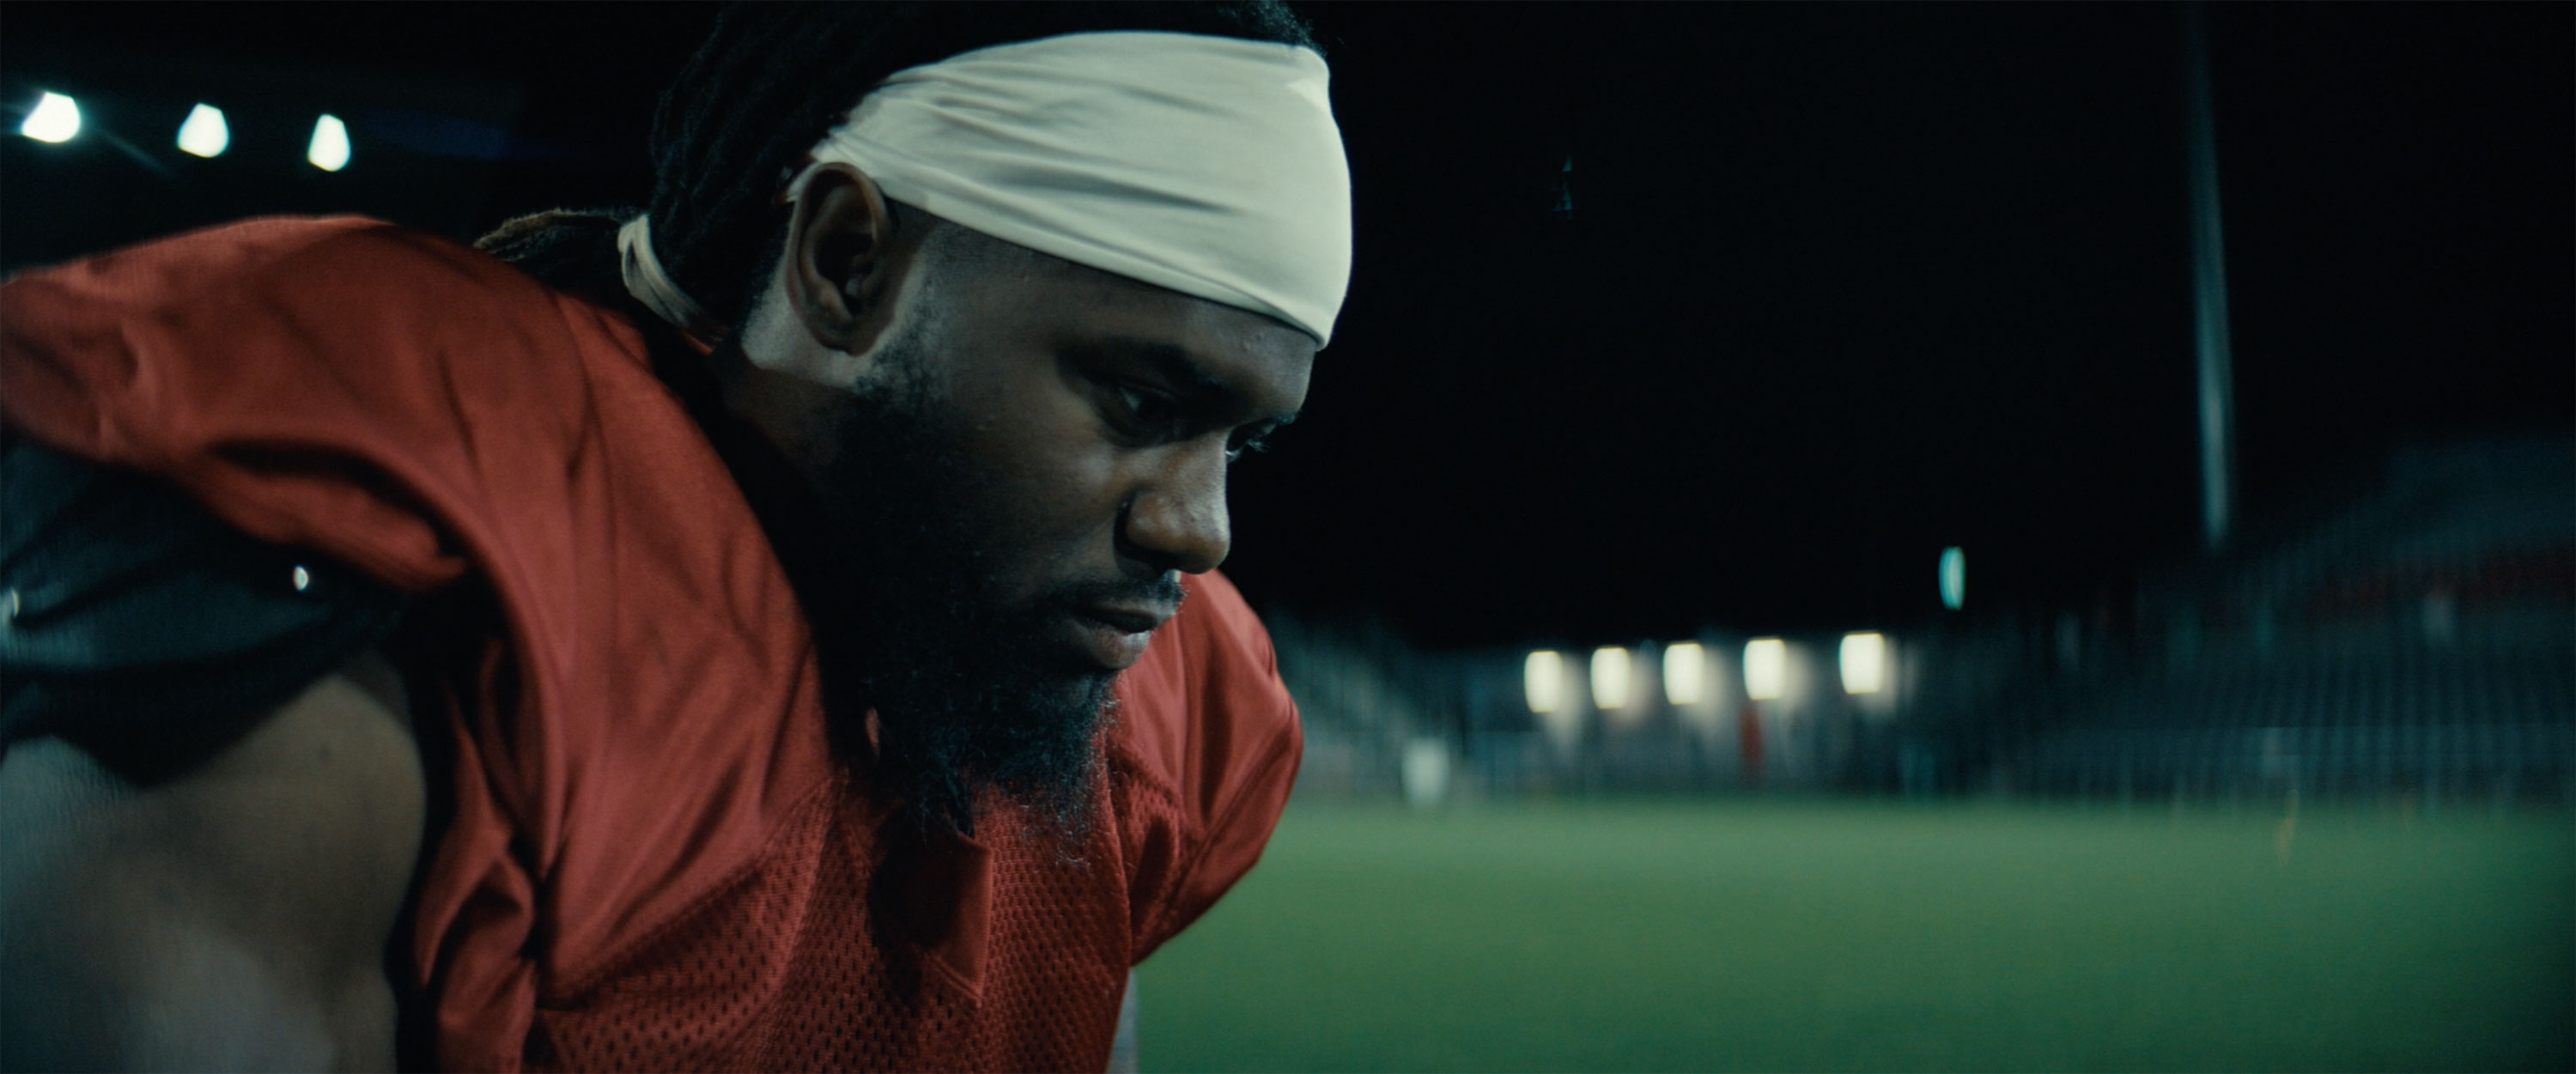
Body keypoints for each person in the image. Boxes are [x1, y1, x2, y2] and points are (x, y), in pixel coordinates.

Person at [0, 3, 1349, 1070]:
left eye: (1241, 439)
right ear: (844, 263)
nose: (1200, 526)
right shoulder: (424, 592)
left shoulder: (1140, 704)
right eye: (1138, 398)